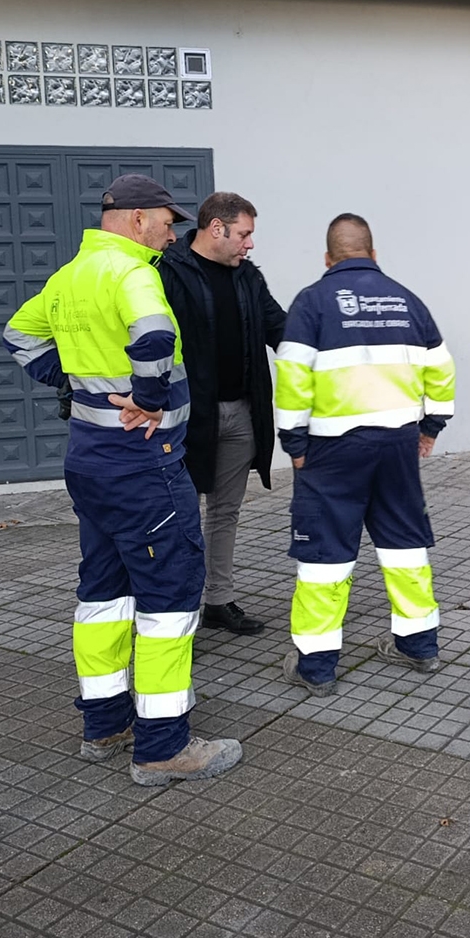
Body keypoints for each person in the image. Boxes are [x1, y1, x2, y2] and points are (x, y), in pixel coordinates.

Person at [2, 173, 242, 786]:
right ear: (137, 219)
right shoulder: (134, 272)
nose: (172, 231)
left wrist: (75, 383)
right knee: (169, 598)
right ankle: (163, 746)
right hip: (144, 460)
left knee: (103, 593)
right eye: (167, 220)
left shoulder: (70, 275)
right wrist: (148, 396)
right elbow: (156, 335)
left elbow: (19, 335)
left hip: (90, 459)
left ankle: (105, 724)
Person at [274, 213, 456, 695]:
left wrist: (293, 442)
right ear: (374, 255)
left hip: (331, 449)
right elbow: (441, 368)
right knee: (404, 546)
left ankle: (316, 666)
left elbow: (292, 379)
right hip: (397, 444)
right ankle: (418, 645)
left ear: (328, 258)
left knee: (325, 556)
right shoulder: (407, 300)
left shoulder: (311, 302)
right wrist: (430, 427)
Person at [157, 192, 288, 636]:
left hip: (241, 414)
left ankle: (218, 600)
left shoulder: (247, 277)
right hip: (189, 418)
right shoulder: (168, 273)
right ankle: (179, 610)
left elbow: (280, 328)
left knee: (225, 512)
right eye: (245, 234)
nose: (249, 244)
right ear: (218, 229)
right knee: (181, 514)